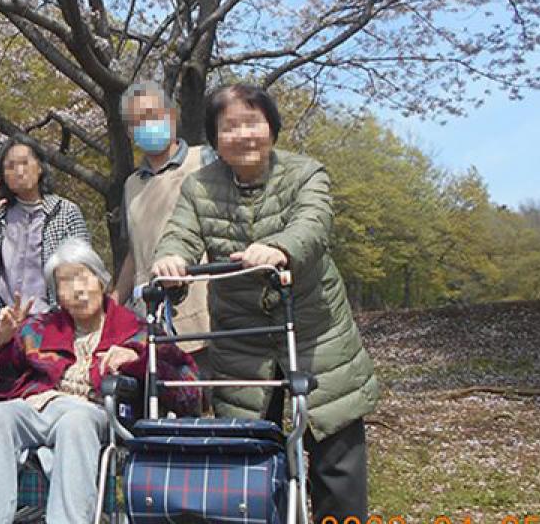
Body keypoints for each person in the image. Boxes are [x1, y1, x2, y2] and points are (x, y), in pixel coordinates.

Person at [151, 83, 379, 524]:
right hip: (242, 345)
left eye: (252, 122)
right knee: (252, 470)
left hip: (317, 337)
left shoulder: (306, 173)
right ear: (215, 138)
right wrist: (171, 261)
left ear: (271, 127)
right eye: (229, 127)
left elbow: (313, 225)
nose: (243, 135)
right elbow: (180, 233)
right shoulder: (199, 188)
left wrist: (279, 247)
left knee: (336, 464)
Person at [0, 239, 200, 524]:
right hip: (39, 405)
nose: (78, 289)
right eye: (65, 283)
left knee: (75, 421)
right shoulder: (41, 327)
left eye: (83, 276)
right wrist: (1, 341)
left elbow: (188, 385)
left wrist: (135, 357)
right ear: (57, 294)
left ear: (102, 281)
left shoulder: (135, 328)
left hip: (95, 410)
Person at [111, 80, 210, 376]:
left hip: (205, 311)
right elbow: (135, 250)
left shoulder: (204, 160)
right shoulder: (132, 184)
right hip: (151, 315)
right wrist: (115, 300)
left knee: (214, 407)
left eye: (154, 114)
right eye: (137, 121)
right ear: (130, 133)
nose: (148, 124)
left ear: (172, 115)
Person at [0, 138, 89, 324]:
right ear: (2, 176)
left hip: (54, 320)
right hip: (4, 322)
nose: (19, 171)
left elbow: (84, 271)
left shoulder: (65, 211)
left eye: (25, 163)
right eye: (10, 166)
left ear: (40, 167)